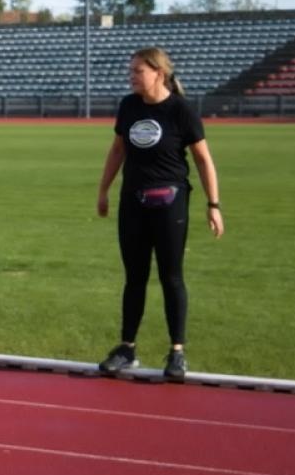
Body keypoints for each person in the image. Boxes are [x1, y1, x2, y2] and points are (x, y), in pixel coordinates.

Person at [96, 47, 223, 382]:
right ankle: (127, 349)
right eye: (131, 71)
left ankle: (177, 352)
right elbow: (118, 149)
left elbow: (202, 159)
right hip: (132, 203)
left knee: (171, 276)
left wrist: (214, 205)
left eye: (138, 70)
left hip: (170, 203)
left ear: (158, 73)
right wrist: (104, 191)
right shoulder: (129, 106)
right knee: (134, 277)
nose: (132, 76)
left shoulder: (180, 110)